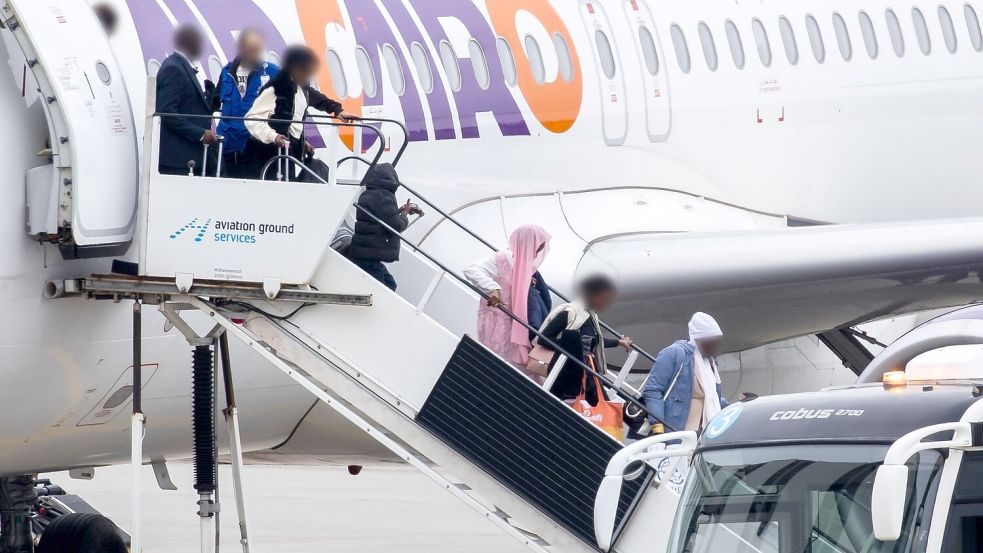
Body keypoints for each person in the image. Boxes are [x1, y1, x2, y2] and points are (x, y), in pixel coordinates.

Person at [244, 45, 356, 180]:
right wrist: (273, 136)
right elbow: (252, 119)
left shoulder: (301, 87)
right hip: (268, 153)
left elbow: (315, 98)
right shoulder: (275, 90)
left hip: (287, 151)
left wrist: (337, 110)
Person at [534, 275, 632, 404]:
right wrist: (572, 349)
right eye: (604, 298)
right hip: (567, 372)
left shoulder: (590, 316)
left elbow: (593, 342)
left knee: (600, 405)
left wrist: (619, 342)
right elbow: (543, 338)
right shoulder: (571, 312)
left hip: (585, 372)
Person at [464, 225, 551, 369]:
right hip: (497, 323)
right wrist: (493, 287)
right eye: (536, 248)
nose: (536, 254)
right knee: (495, 366)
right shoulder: (502, 259)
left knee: (519, 369)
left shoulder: (527, 268)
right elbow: (471, 270)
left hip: (516, 325)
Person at [641, 312, 729, 434]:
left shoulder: (710, 362)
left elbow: (712, 398)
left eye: (718, 342)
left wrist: (734, 407)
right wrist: (657, 424)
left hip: (704, 433)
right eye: (713, 342)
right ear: (700, 339)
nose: (716, 347)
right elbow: (653, 390)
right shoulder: (674, 353)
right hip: (676, 431)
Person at [214, 29, 279, 177]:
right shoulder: (226, 73)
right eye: (251, 50)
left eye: (258, 50)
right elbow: (215, 102)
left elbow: (290, 106)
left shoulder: (272, 73)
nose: (255, 55)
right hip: (227, 149)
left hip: (257, 149)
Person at [348, 163, 423, 290]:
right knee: (385, 288)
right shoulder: (384, 196)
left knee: (390, 285)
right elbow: (396, 226)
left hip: (365, 251)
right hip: (370, 255)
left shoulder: (368, 193)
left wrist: (398, 211)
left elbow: (380, 217)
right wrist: (404, 214)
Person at [156, 25, 219, 176]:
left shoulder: (182, 66)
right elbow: (167, 112)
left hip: (189, 157)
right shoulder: (174, 69)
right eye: (199, 43)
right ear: (189, 43)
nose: (201, 48)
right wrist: (200, 134)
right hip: (178, 160)